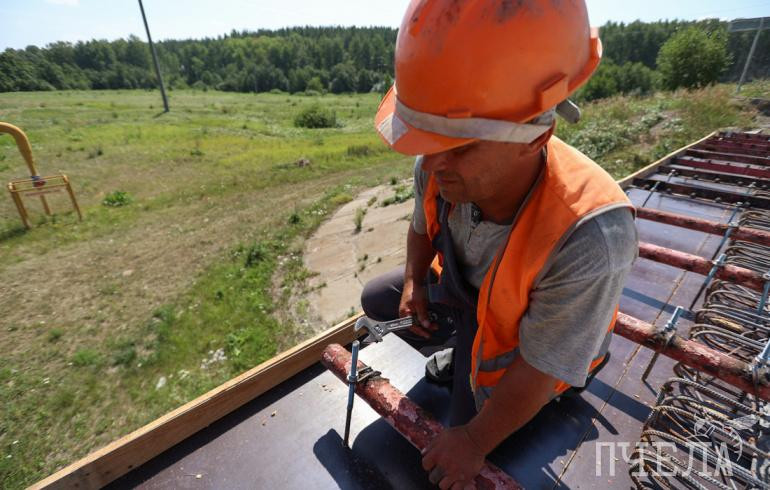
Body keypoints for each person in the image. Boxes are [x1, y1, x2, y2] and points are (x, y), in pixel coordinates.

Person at [360, 1, 639, 488]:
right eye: (428, 140)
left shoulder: (591, 233)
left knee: (460, 438)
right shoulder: (437, 163)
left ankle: (483, 369)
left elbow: (542, 362)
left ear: (536, 135)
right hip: (474, 299)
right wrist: (414, 282)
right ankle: (466, 346)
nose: (434, 163)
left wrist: (471, 442)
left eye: (461, 145)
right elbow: (422, 228)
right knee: (379, 300)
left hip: (534, 354)